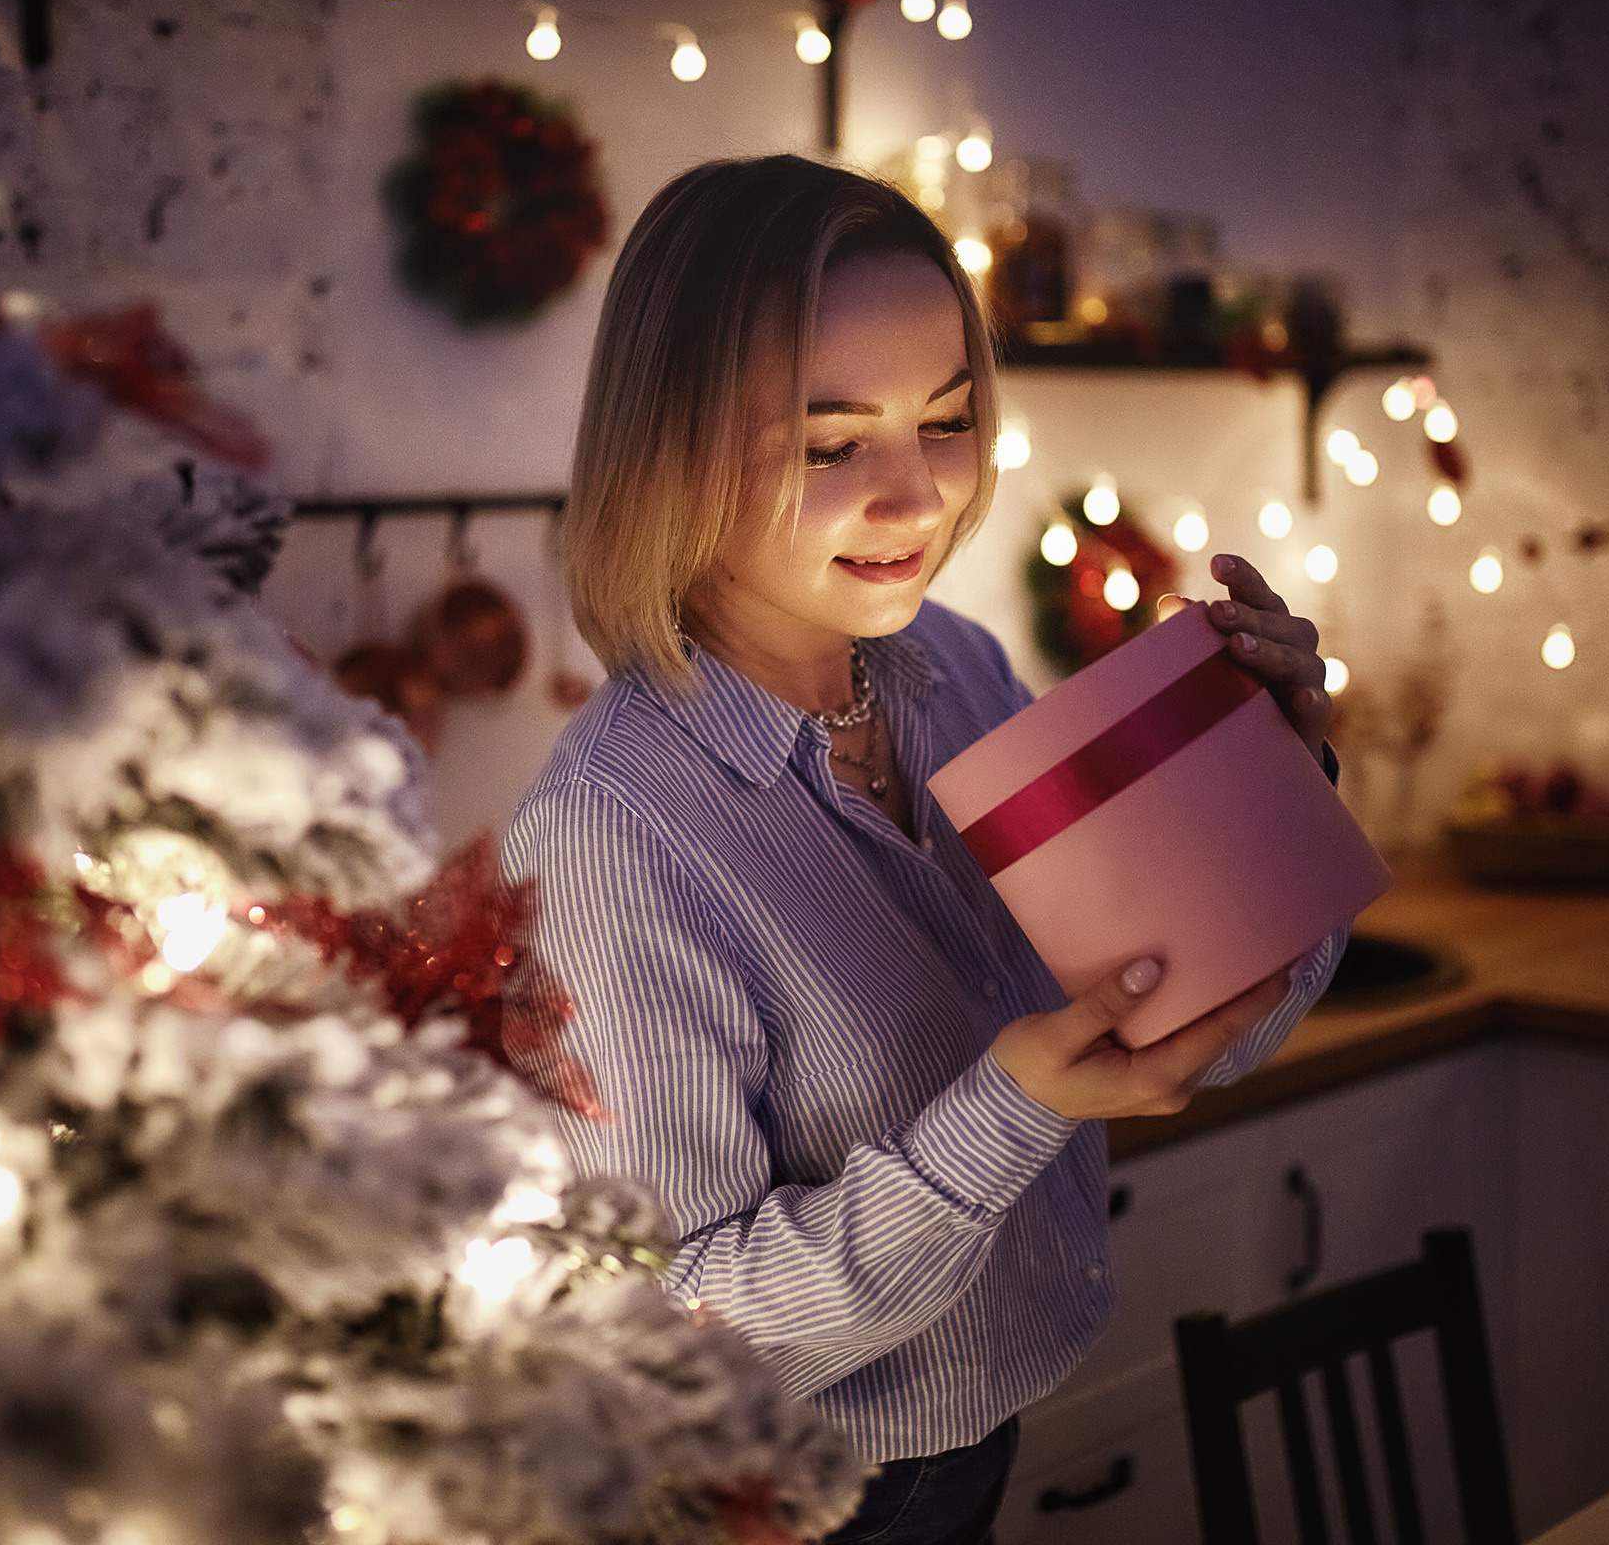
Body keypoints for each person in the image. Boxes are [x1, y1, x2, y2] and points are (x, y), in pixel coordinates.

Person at [499, 155, 1346, 1545]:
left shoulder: (948, 671)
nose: (916, 499)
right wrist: (1008, 1113)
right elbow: (654, 1352)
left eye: (945, 422)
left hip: (973, 1448)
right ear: (672, 444)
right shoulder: (613, 838)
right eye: (831, 445)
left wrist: (1274, 782)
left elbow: (1181, 1022)